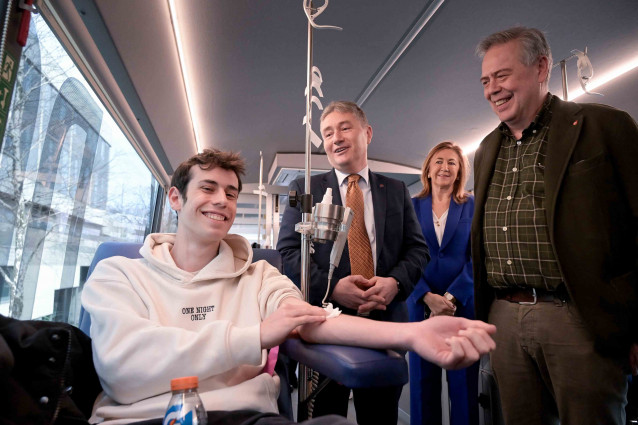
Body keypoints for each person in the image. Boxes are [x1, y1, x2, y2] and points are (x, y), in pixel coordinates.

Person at [81, 148, 496, 425]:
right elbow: (123, 370)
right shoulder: (120, 274)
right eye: (207, 188)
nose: (222, 201)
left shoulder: (258, 275)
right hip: (145, 417)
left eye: (230, 192)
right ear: (174, 198)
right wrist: (256, 336)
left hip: (246, 415)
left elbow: (315, 322)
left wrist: (412, 333)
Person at [473, 26, 638, 425]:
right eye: (485, 80)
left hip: (579, 316)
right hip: (504, 319)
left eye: (502, 75)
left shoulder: (604, 127)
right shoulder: (484, 150)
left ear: (541, 67)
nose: (493, 88)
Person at [277, 101, 429, 423]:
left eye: (345, 128)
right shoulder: (306, 189)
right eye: (328, 133)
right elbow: (289, 252)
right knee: (326, 416)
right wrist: (332, 288)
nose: (336, 139)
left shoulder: (397, 190)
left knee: (380, 416)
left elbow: (418, 251)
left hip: (385, 324)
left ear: (367, 133)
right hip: (326, 326)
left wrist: (395, 283)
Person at [407, 141, 477, 425]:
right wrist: (425, 295)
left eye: (451, 162)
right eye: (438, 161)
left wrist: (451, 297)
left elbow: (478, 257)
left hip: (460, 308)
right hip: (421, 308)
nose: (444, 167)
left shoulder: (473, 205)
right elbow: (403, 257)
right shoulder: (411, 206)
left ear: (460, 171)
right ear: (428, 168)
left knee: (464, 389)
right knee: (423, 387)